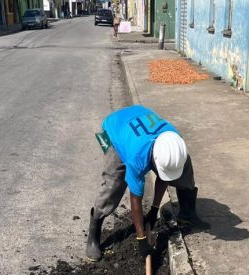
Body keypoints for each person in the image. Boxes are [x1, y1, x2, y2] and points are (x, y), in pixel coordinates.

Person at [86, 104, 209, 262]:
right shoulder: (137, 157)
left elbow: (164, 176)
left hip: (138, 117)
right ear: (154, 159)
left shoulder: (174, 140)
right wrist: (141, 239)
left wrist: (154, 210)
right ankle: (94, 232)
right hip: (116, 130)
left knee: (184, 165)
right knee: (114, 184)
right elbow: (135, 198)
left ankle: (187, 213)